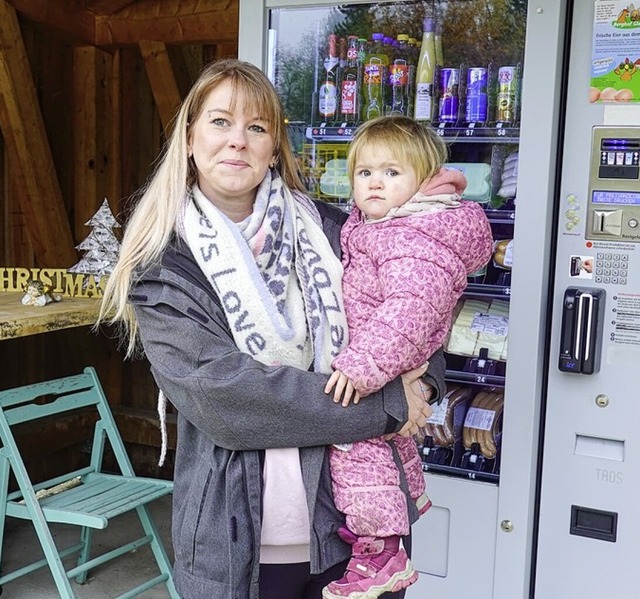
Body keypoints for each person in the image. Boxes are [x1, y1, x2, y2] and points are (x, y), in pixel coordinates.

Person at [98, 59, 445, 599]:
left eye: (256, 127)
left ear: (273, 146)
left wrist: (424, 385)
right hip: (240, 542)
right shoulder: (164, 267)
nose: (238, 141)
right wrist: (388, 405)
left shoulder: (336, 229)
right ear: (189, 139)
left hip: (358, 530)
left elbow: (419, 306)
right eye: (220, 122)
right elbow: (227, 400)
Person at [321, 116, 493, 599]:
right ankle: (399, 511)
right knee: (386, 448)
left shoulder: (411, 237)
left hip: (379, 363)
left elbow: (409, 310)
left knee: (357, 454)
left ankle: (381, 555)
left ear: (422, 182)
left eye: (392, 173)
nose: (375, 181)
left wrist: (362, 365)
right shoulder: (379, 225)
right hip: (387, 362)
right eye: (364, 172)